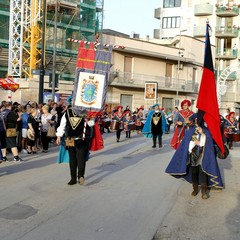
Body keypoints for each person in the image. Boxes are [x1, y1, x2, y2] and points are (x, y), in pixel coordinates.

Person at [165, 115, 223, 200]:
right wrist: (193, 143)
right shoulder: (190, 130)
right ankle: (195, 189)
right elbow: (186, 144)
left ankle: (204, 191)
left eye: (198, 120)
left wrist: (202, 136)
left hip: (203, 155)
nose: (196, 121)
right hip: (193, 155)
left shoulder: (206, 130)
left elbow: (209, 142)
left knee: (203, 173)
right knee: (194, 172)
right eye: (195, 120)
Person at [56, 107, 95, 185]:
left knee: (80, 159)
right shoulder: (68, 112)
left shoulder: (84, 112)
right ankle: (74, 178)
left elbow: (91, 124)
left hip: (81, 139)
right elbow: (62, 125)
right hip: (70, 139)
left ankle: (80, 177)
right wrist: (59, 136)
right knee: (73, 159)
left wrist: (90, 119)